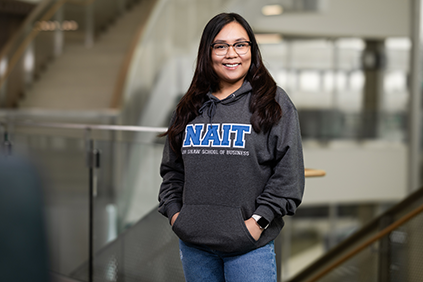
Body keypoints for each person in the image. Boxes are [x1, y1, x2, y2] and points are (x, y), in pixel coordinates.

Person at [158, 12, 304, 282]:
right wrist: (177, 217)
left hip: (249, 249)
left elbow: (288, 176)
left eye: (240, 44)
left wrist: (257, 224)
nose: (231, 54)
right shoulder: (189, 106)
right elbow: (172, 171)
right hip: (194, 246)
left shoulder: (273, 102)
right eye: (221, 45)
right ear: (207, 52)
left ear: (252, 50)